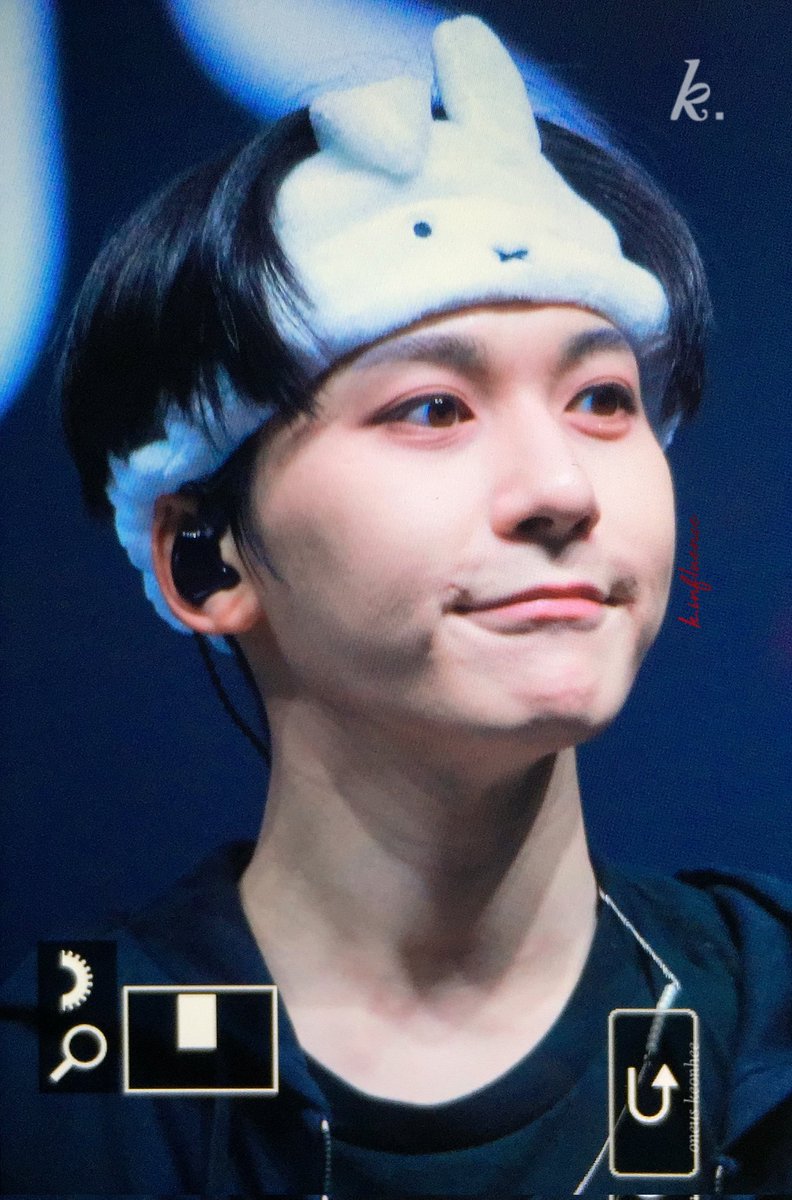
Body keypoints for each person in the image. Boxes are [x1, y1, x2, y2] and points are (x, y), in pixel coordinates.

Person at [2, 14, 792, 1196]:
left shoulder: (766, 1011)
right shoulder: (76, 1083)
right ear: (205, 558)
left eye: (602, 399)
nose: (560, 489)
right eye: (432, 409)